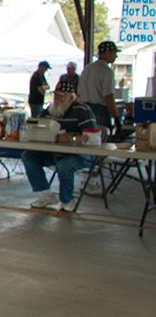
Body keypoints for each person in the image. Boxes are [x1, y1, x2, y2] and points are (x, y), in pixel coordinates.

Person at [21, 80, 97, 211]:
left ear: (71, 96)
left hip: (80, 155)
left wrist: (71, 138)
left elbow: (93, 138)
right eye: (55, 94)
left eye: (61, 95)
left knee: (64, 165)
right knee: (29, 156)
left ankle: (66, 200)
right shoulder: (49, 110)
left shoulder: (83, 110)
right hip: (53, 153)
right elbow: (36, 126)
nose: (57, 98)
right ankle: (45, 194)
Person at [78, 40, 120, 132]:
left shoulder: (88, 68)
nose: (116, 56)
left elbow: (79, 93)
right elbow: (108, 96)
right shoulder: (107, 71)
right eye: (114, 53)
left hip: (84, 110)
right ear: (108, 52)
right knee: (102, 140)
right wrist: (116, 118)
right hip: (99, 112)